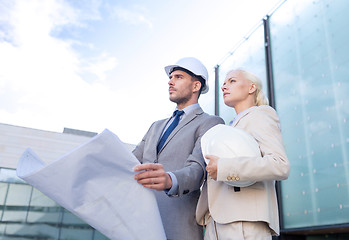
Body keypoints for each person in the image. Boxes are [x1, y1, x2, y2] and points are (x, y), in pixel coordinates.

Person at [133, 57, 224, 240]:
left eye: (178, 77)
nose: (170, 81)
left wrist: (169, 180)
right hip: (142, 221)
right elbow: (132, 160)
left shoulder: (210, 123)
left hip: (179, 223)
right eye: (171, 77)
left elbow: (198, 168)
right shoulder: (155, 126)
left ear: (196, 86)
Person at [196, 69, 290, 240]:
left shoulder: (261, 115)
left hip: (243, 224)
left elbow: (279, 164)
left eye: (232, 81)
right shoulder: (233, 127)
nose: (224, 87)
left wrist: (224, 167)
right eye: (224, 83)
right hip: (217, 223)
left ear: (251, 87)